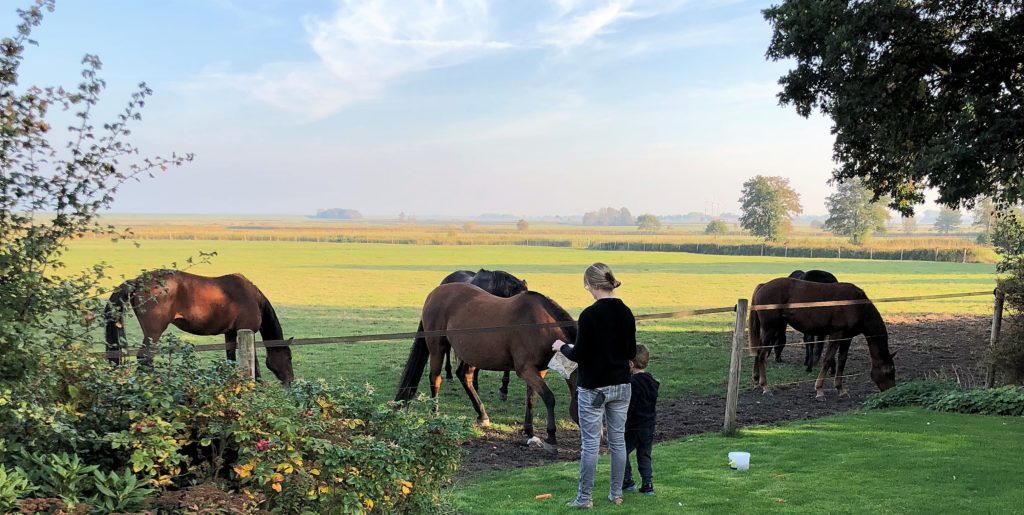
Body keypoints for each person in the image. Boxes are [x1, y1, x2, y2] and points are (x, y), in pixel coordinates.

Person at [552, 263, 636, 509]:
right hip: (621, 385)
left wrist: (562, 347)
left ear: (592, 284)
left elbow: (579, 354)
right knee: (617, 441)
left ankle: (584, 498)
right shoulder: (626, 312)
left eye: (586, 285)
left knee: (590, 444)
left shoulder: (589, 315)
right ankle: (616, 494)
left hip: (593, 388)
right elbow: (631, 351)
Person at [622, 344, 658, 495]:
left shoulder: (633, 384)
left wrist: (623, 422)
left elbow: (631, 407)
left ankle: (627, 480)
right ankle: (647, 484)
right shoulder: (652, 382)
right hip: (649, 425)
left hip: (634, 426)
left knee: (622, 451)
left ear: (631, 364)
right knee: (644, 454)